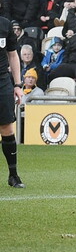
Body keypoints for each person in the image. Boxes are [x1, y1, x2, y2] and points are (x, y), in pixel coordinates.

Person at [0, 13, 22, 188]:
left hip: (2, 81)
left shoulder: (5, 24)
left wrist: (17, 84)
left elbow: (13, 55)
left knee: (6, 127)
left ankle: (13, 175)